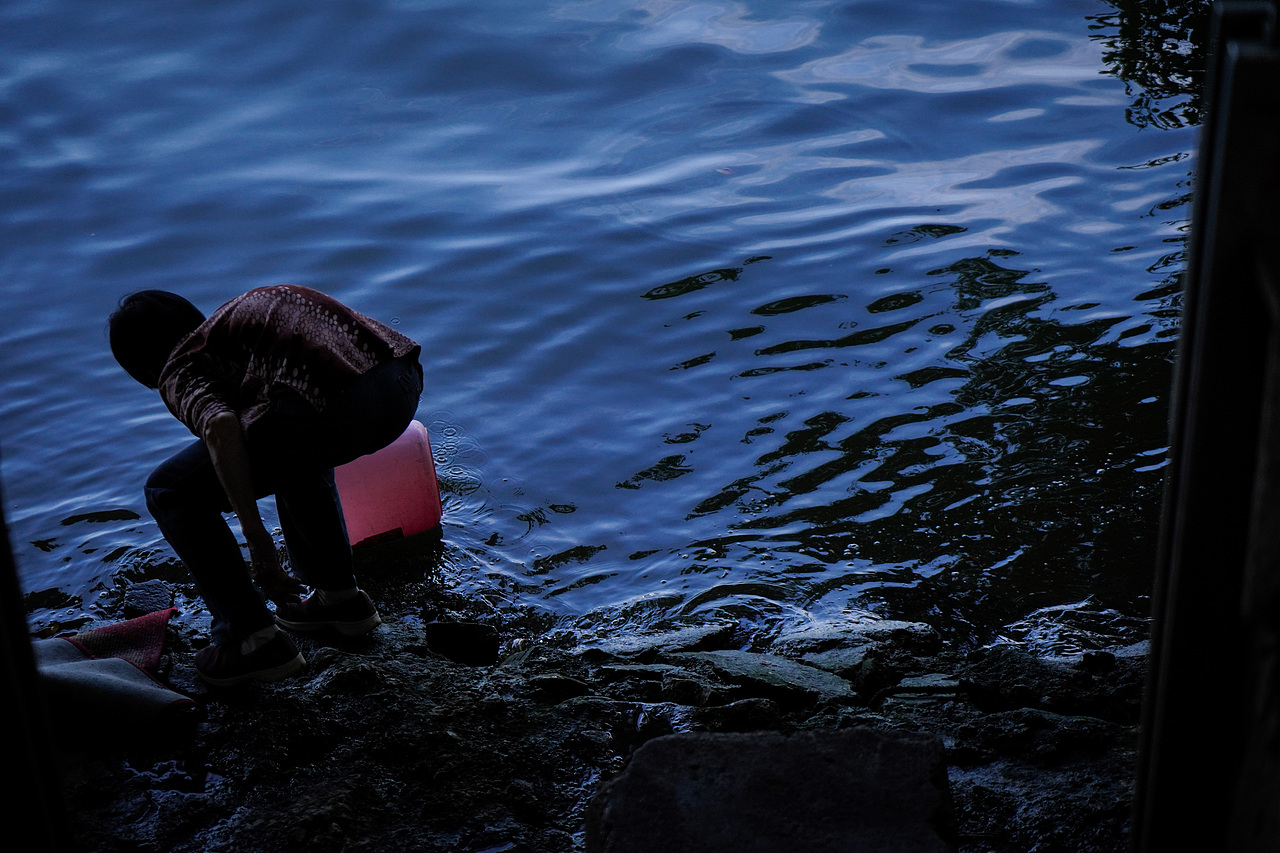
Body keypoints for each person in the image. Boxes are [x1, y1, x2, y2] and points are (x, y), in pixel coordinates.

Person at [108, 285, 422, 686]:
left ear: (142, 366)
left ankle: (252, 639)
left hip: (331, 409)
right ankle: (339, 599)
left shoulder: (181, 361)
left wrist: (257, 540)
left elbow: (220, 427)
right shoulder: (244, 322)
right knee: (285, 435)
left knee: (170, 490)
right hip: (401, 384)